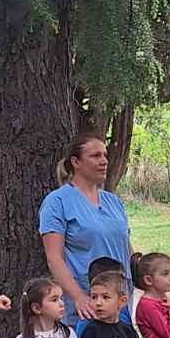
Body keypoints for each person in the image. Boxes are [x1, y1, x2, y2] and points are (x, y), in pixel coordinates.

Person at [39, 135, 135, 325]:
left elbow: (126, 247)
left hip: (119, 303)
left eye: (105, 155)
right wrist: (79, 297)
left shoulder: (113, 201)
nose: (104, 161)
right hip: (88, 306)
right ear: (76, 162)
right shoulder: (57, 202)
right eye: (96, 156)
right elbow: (54, 258)